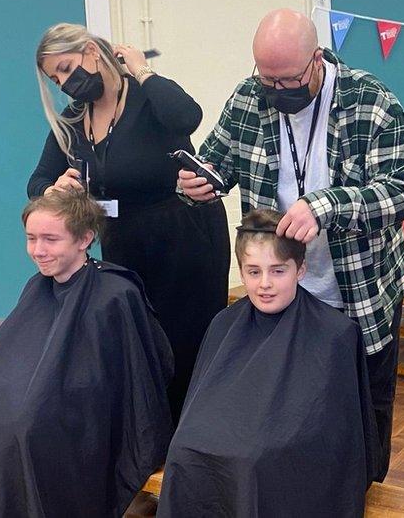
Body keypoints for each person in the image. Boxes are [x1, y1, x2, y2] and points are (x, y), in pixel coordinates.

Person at [178, 8, 404, 479]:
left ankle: (366, 492)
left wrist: (326, 206)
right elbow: (216, 161)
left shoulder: (371, 101)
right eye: (266, 78)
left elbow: (402, 191)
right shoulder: (250, 98)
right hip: (279, 290)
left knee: (364, 415)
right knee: (285, 413)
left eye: (287, 80)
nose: (275, 91)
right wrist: (199, 181)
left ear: (317, 60)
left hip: (358, 294)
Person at [28, 23, 230, 422]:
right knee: (143, 347)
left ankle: (194, 446)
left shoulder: (145, 97)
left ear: (90, 51)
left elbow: (187, 115)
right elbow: (36, 182)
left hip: (185, 240)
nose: (66, 84)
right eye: (56, 79)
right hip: (124, 244)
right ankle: (151, 445)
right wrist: (54, 187)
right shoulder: (73, 121)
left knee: (188, 347)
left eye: (67, 68)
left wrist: (143, 71)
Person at [0, 189, 174, 518]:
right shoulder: (38, 286)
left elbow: (126, 380)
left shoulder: (115, 293)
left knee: (24, 427)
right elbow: (15, 356)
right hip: (43, 394)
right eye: (31, 239)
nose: (38, 251)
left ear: (85, 238)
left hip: (85, 411)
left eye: (50, 239)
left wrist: (41, 398)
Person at [157, 209, 378, 517]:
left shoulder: (335, 334)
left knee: (251, 461)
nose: (264, 284)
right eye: (253, 271)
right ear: (241, 270)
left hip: (287, 455)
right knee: (184, 449)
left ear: (300, 269)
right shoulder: (224, 324)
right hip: (228, 438)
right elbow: (201, 406)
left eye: (277, 271)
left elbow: (332, 437)